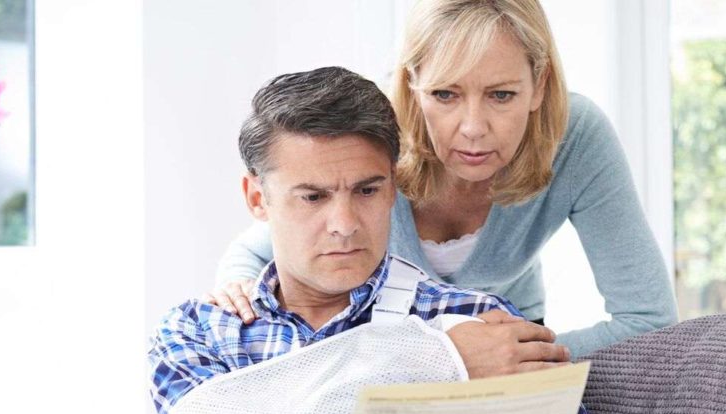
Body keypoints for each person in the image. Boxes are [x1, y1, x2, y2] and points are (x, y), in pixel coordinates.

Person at [149, 66, 662, 414]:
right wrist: (440, 361)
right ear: (257, 198)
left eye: (367, 190)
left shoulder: (483, 321)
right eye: (312, 197)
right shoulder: (200, 333)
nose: (345, 223)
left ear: (393, 187)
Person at [207, 0, 678, 357]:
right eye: (445, 93)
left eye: (501, 94)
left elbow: (650, 319)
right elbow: (255, 250)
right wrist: (239, 294)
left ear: (539, 84)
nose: (473, 128)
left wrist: (523, 359)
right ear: (412, 82)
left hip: (508, 333)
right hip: (384, 353)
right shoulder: (375, 131)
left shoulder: (576, 135)